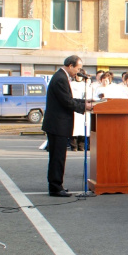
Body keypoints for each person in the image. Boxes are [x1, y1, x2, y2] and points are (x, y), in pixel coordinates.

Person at [42, 55, 93, 197]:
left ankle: (57, 185)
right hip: (57, 124)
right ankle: (55, 187)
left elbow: (68, 99)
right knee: (57, 157)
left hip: (58, 124)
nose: (78, 71)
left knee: (58, 157)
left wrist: (85, 101)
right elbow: (67, 102)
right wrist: (85, 107)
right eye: (77, 68)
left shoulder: (61, 77)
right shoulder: (60, 79)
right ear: (70, 65)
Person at [69, 67, 92, 152]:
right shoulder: (71, 84)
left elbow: (89, 95)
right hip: (75, 106)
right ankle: (73, 145)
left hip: (83, 106)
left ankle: (81, 145)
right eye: (77, 75)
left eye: (80, 75)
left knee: (83, 127)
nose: (79, 77)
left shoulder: (86, 85)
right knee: (74, 127)